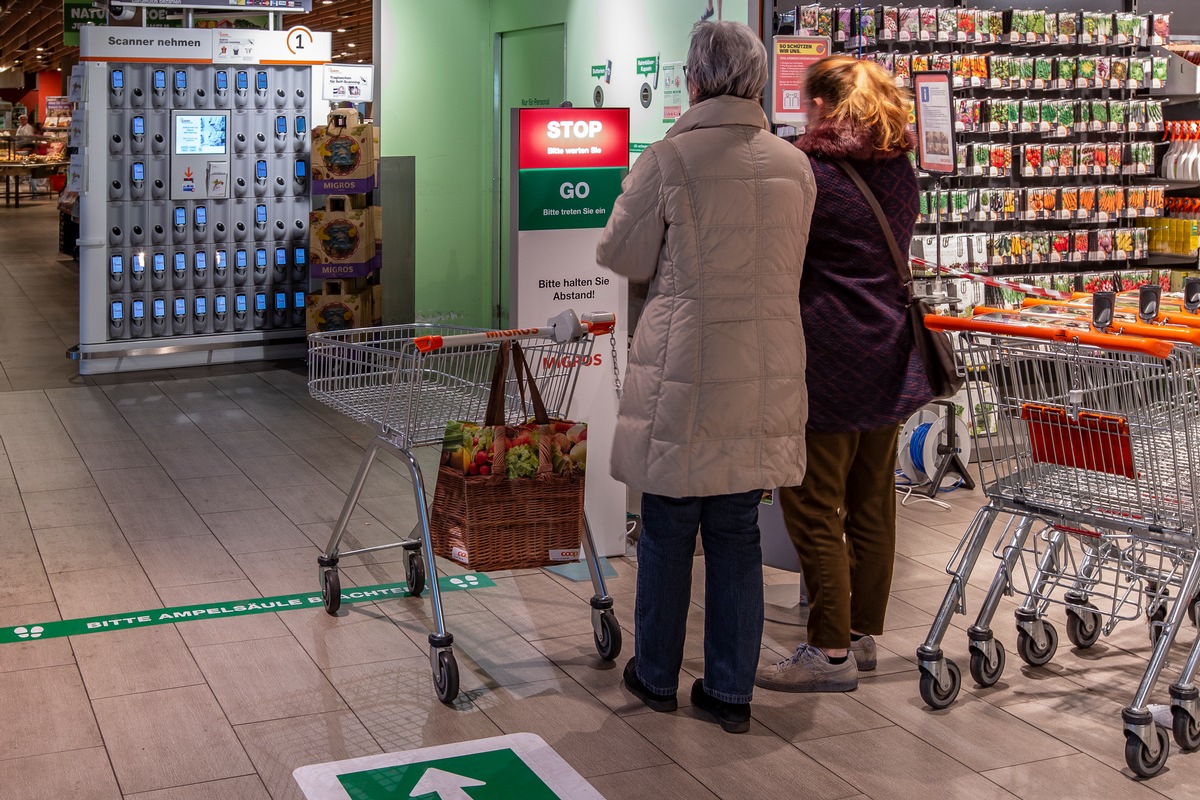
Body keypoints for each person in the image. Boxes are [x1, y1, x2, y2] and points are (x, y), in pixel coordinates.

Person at [596, 20, 815, 733]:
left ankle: (655, 674)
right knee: (736, 534)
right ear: (755, 78)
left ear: (692, 81)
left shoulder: (669, 159)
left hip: (685, 371)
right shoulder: (794, 166)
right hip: (765, 368)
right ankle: (729, 692)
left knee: (666, 526)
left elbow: (621, 253)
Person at [754, 55, 932, 694]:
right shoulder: (901, 173)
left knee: (809, 502)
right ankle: (859, 633)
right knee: (872, 501)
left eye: (809, 105)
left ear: (826, 108)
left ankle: (828, 653)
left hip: (826, 355)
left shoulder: (813, 174)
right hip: (887, 351)